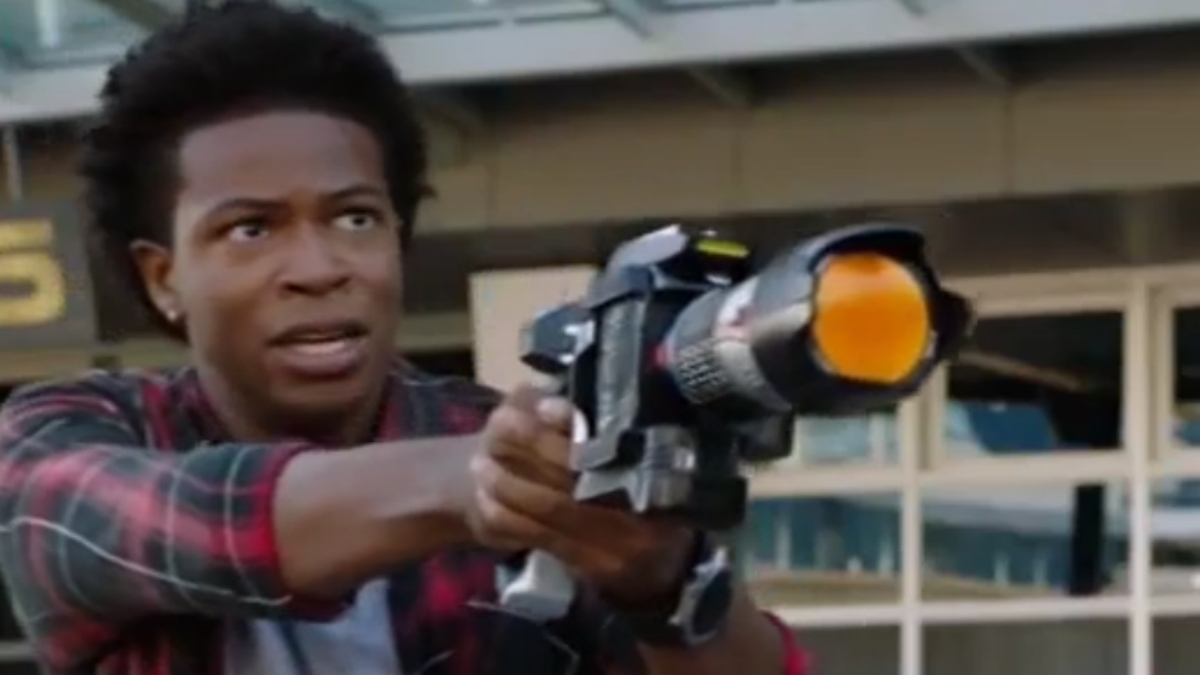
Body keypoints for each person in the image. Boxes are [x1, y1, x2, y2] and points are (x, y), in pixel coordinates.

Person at [0, 2, 809, 674]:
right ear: (162, 277)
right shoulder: (69, 430)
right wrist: (475, 484)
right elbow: (165, 519)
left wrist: (664, 581)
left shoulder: (518, 451)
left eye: (355, 218)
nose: (319, 268)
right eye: (251, 229)